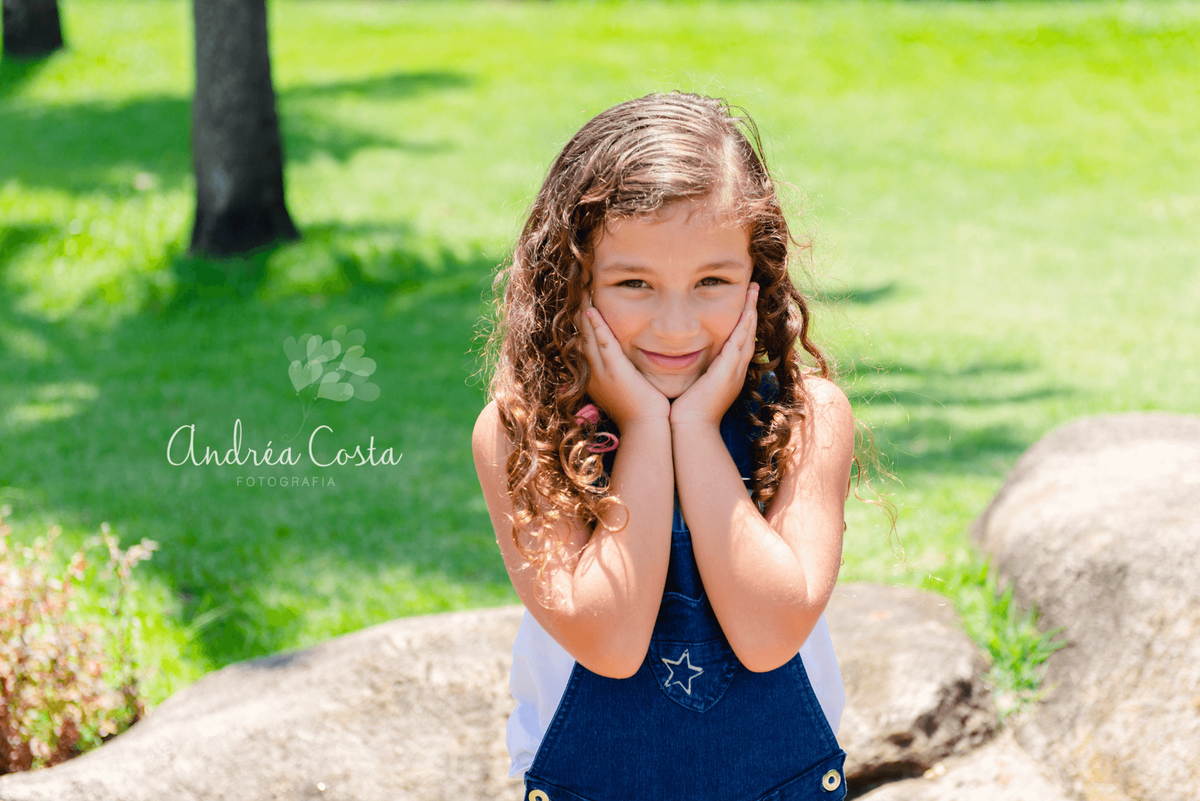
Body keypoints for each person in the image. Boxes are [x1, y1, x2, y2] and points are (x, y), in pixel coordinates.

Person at [473, 92, 856, 800]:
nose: (675, 326)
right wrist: (647, 429)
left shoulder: (808, 417)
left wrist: (697, 431)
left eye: (712, 281)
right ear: (573, 280)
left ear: (758, 276)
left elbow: (770, 635)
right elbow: (611, 642)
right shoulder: (526, 431)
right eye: (634, 284)